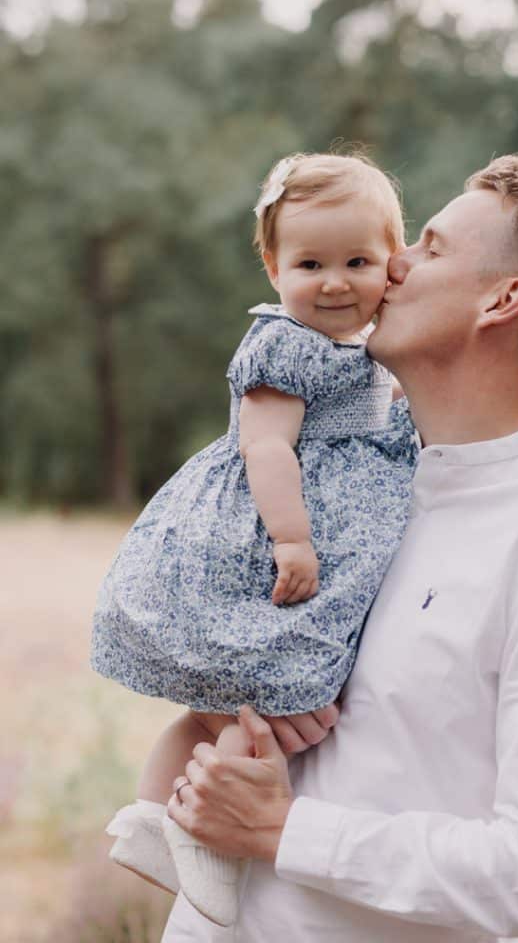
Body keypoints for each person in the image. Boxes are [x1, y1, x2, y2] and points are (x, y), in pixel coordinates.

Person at [161, 154, 518, 943]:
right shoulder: (343, 482)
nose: (391, 264)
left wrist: (283, 830)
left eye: (428, 247)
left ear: (502, 300)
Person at [90, 152, 417, 927]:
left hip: (309, 530)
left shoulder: (368, 353)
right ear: (272, 267)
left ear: (391, 265)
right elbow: (265, 448)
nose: (334, 282)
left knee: (229, 700)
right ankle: (197, 830)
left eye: (357, 261)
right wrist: (292, 542)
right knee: (264, 691)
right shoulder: (286, 347)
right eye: (309, 263)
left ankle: (148, 813)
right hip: (261, 538)